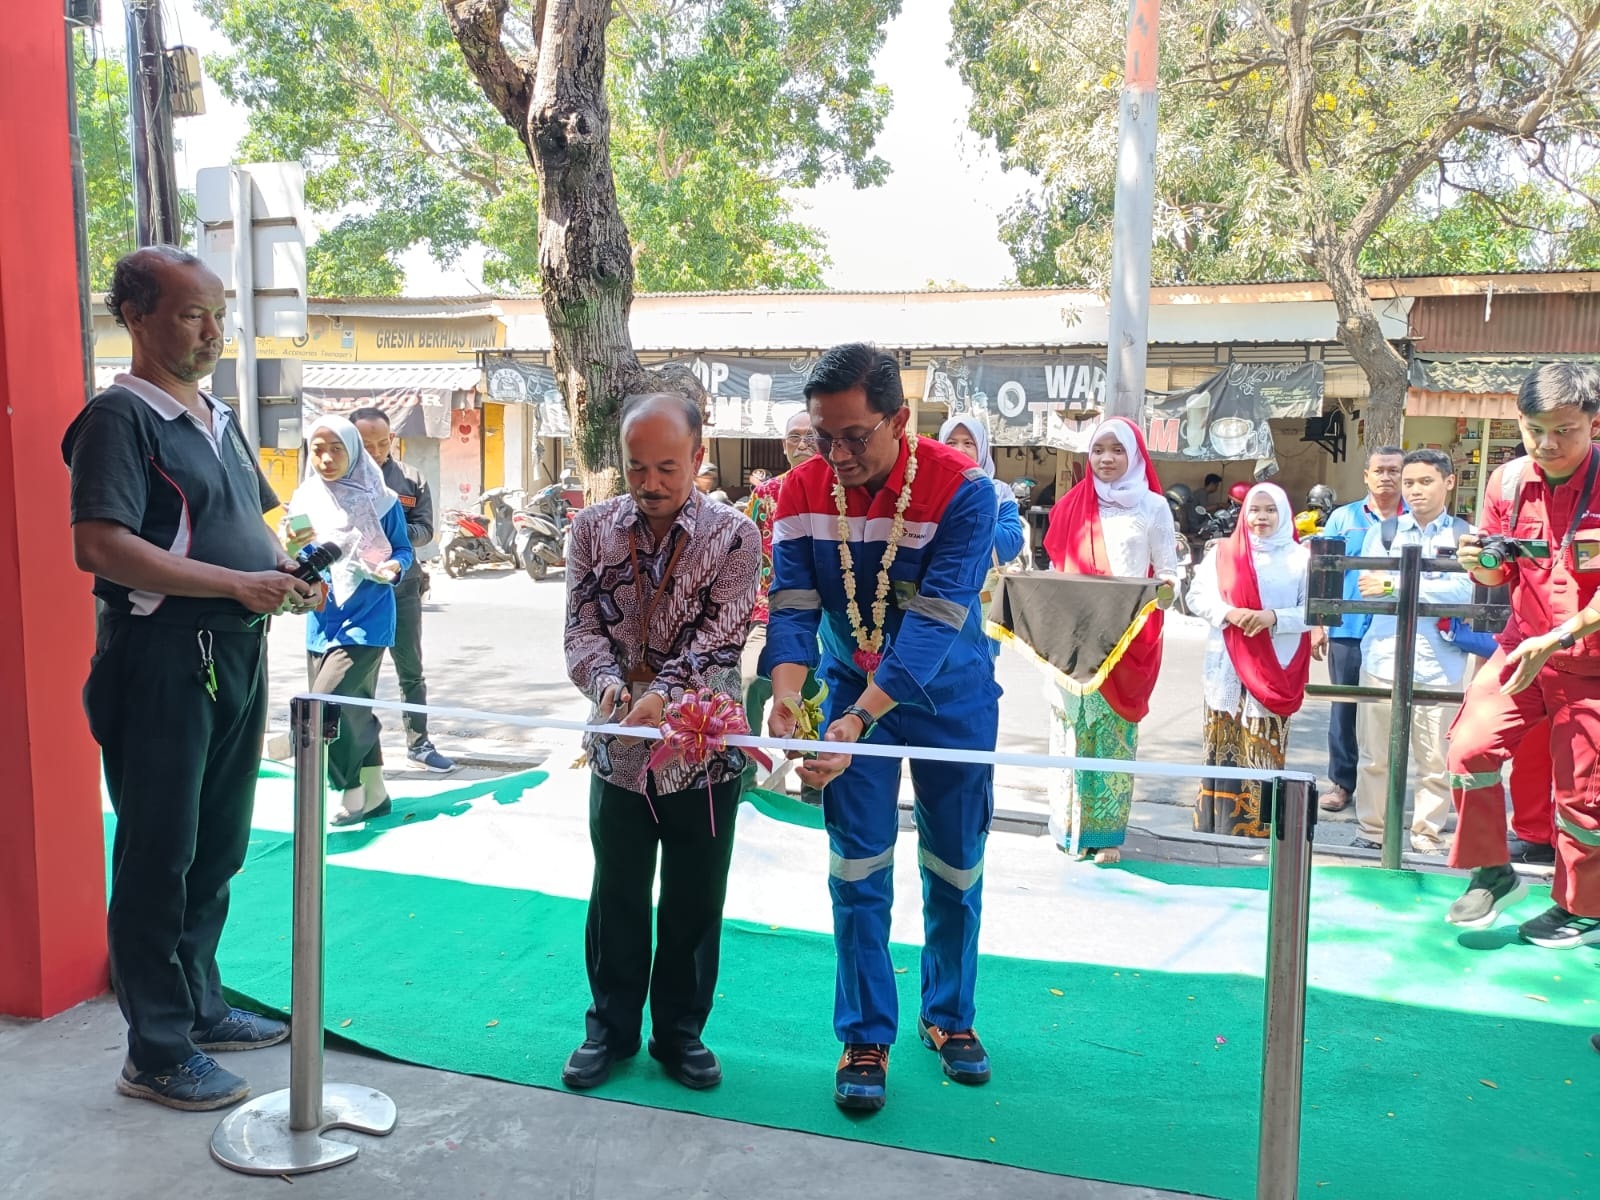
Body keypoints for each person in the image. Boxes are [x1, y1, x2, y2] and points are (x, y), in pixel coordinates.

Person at [64, 246, 320, 1110]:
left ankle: (201, 1006)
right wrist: (235, 584)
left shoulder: (214, 414)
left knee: (216, 849)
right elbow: (98, 544)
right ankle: (157, 1050)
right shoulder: (119, 418)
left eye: (219, 313)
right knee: (157, 856)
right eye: (190, 314)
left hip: (234, 649)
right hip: (163, 660)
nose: (212, 331)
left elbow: (246, 524)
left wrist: (283, 571)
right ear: (136, 319)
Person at [763, 343, 1001, 1112]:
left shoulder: (966, 491)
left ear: (900, 419)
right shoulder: (799, 491)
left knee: (955, 864)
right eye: (822, 435)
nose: (836, 455)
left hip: (950, 701)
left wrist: (857, 720)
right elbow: (794, 608)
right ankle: (865, 1032)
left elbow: (935, 623)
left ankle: (949, 1016)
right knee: (857, 868)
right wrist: (790, 700)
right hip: (845, 699)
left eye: (854, 436)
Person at [561, 393, 760, 1092]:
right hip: (618, 750)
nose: (649, 483)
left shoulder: (737, 537)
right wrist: (611, 688)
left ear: (699, 459)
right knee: (616, 892)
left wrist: (665, 699)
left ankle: (680, 1034)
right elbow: (581, 631)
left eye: (666, 468)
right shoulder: (589, 529)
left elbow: (721, 640)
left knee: (695, 896)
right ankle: (609, 1031)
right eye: (636, 467)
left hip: (703, 753)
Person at [1445, 362, 1600, 946]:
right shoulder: (1506, 482)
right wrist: (1480, 562)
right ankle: (1492, 869)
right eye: (1535, 429)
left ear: (1594, 423)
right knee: (1468, 750)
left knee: (1584, 795)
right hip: (1522, 648)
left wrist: (1556, 639)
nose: (1548, 443)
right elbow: (1498, 570)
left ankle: (1581, 906)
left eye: (1565, 429)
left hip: (1590, 665)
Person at [1041, 417, 1178, 863]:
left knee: (1113, 735)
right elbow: (1057, 574)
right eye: (1098, 449)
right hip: (1072, 640)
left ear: (1135, 454)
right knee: (1070, 731)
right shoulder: (1069, 507)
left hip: (1125, 642)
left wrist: (1163, 594)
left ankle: (1107, 835)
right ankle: (1069, 829)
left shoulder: (1154, 507)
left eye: (1116, 450)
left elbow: (1168, 573)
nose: (1105, 458)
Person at [1343, 450, 1475, 854]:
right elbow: (1369, 584)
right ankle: (1371, 832)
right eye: (1410, 483)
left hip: (1440, 664)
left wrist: (1398, 585)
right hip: (1383, 658)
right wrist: (1403, 587)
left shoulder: (1464, 536)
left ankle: (1426, 835)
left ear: (1448, 482)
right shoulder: (1385, 532)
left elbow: (1466, 591)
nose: (1415, 490)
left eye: (1425, 482)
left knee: (1435, 760)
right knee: (1375, 755)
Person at [290, 415, 413, 825]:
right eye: (317, 449)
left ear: (353, 449)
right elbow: (296, 557)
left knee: (325, 706)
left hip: (368, 618)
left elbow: (402, 549)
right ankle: (376, 793)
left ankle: (351, 790)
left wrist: (392, 567)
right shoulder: (304, 498)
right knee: (354, 708)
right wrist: (292, 550)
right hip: (321, 618)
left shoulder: (383, 499)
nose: (325, 458)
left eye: (336, 448)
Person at [1188, 484, 1311, 836]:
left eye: (1270, 510)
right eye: (1254, 510)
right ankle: (1215, 829)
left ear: (1284, 514)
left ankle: (1262, 832)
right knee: (1222, 746)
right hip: (1227, 663)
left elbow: (1314, 611)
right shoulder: (1223, 553)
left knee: (1263, 748)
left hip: (1274, 666)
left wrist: (1274, 617)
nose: (1261, 517)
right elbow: (1198, 596)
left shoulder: (1300, 559)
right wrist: (1230, 613)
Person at [350, 407, 455, 773]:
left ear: (392, 439)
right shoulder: (340, 482)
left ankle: (420, 743)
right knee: (359, 673)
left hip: (404, 587)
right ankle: (358, 752)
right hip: (358, 592)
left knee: (410, 668)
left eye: (382, 442)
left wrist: (390, 535)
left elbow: (425, 530)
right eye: (366, 445)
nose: (376, 451)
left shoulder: (411, 479)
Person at [1309, 447, 1405, 813]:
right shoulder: (1343, 518)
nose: (1387, 477)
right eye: (1380, 470)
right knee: (1344, 707)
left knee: (1390, 710)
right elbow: (1323, 573)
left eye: (1394, 470)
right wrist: (1318, 624)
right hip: (1347, 627)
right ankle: (1342, 783)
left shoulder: (1415, 519)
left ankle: (1384, 791)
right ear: (1366, 475)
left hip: (1395, 628)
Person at [742, 410, 816, 788]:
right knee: (749, 680)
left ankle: (816, 786)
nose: (802, 445)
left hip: (830, 618)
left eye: (811, 436)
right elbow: (745, 561)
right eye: (794, 437)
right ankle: (745, 781)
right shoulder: (765, 494)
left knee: (825, 689)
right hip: (767, 612)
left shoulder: (841, 492)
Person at [937, 415, 1028, 645]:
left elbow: (1009, 544)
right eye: (951, 442)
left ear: (982, 449)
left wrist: (966, 515)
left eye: (969, 443)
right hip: (935, 603)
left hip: (980, 604)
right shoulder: (927, 489)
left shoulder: (999, 492)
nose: (960, 449)